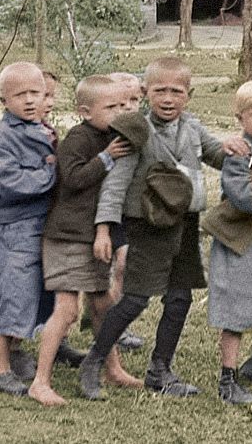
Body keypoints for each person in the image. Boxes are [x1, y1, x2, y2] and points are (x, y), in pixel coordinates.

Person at [78, 56, 248, 400]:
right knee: (136, 299)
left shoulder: (192, 126)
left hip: (185, 224)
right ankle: (94, 362)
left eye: (176, 91)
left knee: (180, 298)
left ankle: (160, 369)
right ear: (144, 92)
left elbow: (214, 153)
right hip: (147, 226)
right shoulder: (136, 130)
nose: (168, 99)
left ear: (189, 94)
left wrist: (231, 147)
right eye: (159, 91)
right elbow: (115, 184)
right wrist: (104, 228)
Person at [28, 75, 142, 407]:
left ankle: (113, 369)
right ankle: (40, 381)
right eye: (111, 107)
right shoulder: (79, 138)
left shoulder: (114, 136)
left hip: (93, 237)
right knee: (66, 310)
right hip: (67, 238)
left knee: (103, 304)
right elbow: (74, 179)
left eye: (123, 105)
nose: (120, 111)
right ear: (84, 111)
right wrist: (106, 158)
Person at [203, 79, 252, 405]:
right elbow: (244, 196)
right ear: (239, 118)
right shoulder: (240, 153)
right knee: (236, 309)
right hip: (242, 242)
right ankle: (227, 376)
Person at [0, 62, 57, 396]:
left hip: (41, 225)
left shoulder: (44, 129)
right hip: (15, 229)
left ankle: (13, 352)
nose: (29, 101)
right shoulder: (5, 135)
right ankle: (0, 366)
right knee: (13, 293)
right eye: (20, 95)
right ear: (4, 100)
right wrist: (49, 175)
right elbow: (9, 182)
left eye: (35, 93)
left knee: (34, 294)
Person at [106, 70, 145, 351]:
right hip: (102, 213)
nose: (129, 107)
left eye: (134, 100)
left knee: (124, 264)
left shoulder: (142, 130)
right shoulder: (103, 132)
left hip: (129, 214)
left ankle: (117, 327)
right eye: (120, 103)